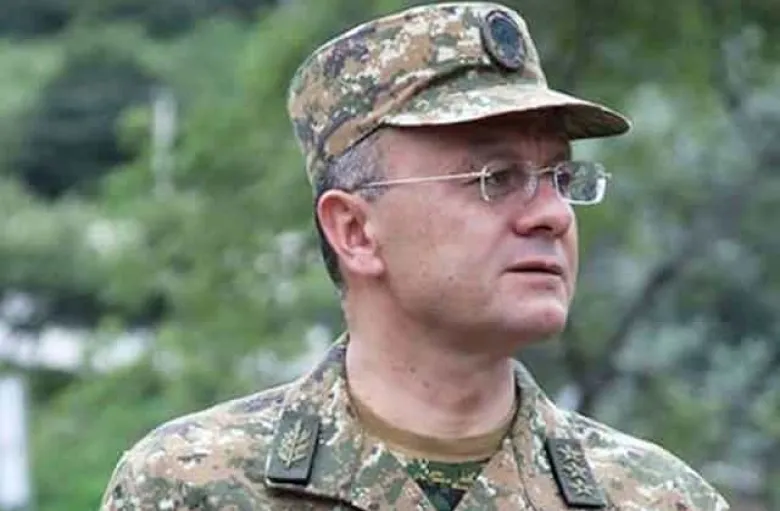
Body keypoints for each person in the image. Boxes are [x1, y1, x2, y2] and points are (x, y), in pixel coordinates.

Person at [100, 2, 731, 510]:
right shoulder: (192, 485)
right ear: (355, 231)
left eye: (561, 179)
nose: (554, 214)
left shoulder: (657, 497)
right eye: (496, 177)